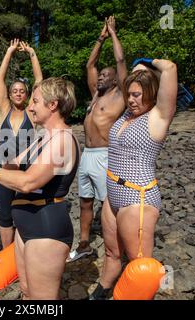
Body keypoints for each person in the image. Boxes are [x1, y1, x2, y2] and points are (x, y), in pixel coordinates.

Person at [0, 77, 80, 299]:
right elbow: (13, 163)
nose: (30, 107)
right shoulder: (43, 138)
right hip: (27, 225)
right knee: (25, 291)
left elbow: (28, 181)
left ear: (52, 105)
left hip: (46, 227)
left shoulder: (62, 140)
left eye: (35, 101)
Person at [89, 58, 178, 299]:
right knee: (111, 252)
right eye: (129, 94)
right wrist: (138, 72)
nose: (131, 100)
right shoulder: (128, 114)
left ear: (151, 94)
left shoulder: (158, 117)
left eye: (137, 95)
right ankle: (102, 291)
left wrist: (146, 62)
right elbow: (134, 77)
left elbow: (169, 69)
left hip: (136, 197)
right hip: (113, 195)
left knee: (139, 265)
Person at [67, 16, 126, 262]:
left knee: (110, 206)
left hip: (105, 155)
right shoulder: (95, 96)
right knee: (85, 202)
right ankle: (84, 245)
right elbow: (90, 65)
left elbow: (121, 61)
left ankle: (118, 249)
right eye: (100, 75)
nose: (100, 77)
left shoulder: (119, 95)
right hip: (87, 155)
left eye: (105, 75)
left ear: (114, 80)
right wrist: (100, 38)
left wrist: (113, 33)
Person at [0, 39, 43, 248]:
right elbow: (0, 79)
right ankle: (7, 255)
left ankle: (26, 250)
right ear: (10, 93)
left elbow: (39, 80)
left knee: (23, 210)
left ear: (26, 95)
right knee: (5, 214)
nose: (18, 93)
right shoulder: (4, 109)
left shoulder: (32, 113)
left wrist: (32, 52)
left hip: (25, 169)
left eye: (22, 91)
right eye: (15, 90)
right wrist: (9, 52)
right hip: (4, 168)